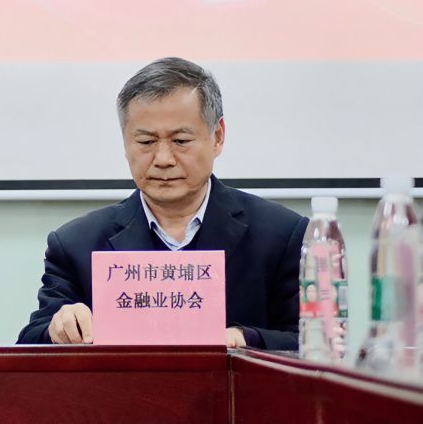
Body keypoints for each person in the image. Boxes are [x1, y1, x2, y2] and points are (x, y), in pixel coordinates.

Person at [17, 57, 307, 350]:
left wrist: (245, 338)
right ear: (125, 142)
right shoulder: (77, 244)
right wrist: (59, 328)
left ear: (217, 137)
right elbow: (30, 343)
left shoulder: (282, 236)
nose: (163, 159)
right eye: (146, 142)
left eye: (180, 141)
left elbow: (311, 342)